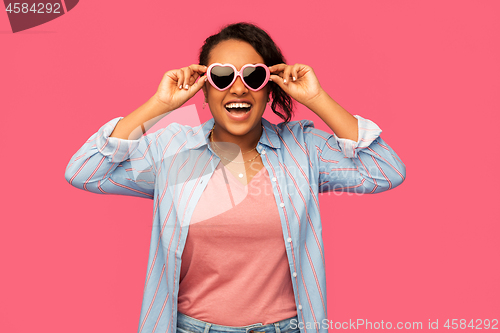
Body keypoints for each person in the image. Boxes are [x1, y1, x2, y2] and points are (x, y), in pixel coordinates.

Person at [65, 22, 406, 333]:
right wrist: (160, 105)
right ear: (204, 89)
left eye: (253, 77)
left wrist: (318, 99)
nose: (239, 89)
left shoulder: (304, 149)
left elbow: (385, 170)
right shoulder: (171, 152)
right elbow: (84, 170)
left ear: (269, 88)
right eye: (223, 76)